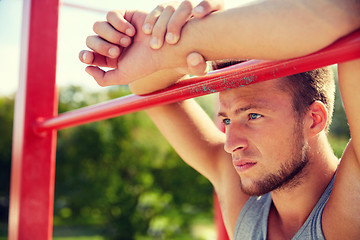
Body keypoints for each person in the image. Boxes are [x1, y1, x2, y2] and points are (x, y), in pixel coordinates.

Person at [79, 0, 360, 239]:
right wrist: (173, 51)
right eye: (226, 121)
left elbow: (347, 10)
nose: (230, 143)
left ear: (314, 119)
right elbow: (146, 86)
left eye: (253, 115)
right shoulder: (246, 204)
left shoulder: (352, 204)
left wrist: (190, 38)